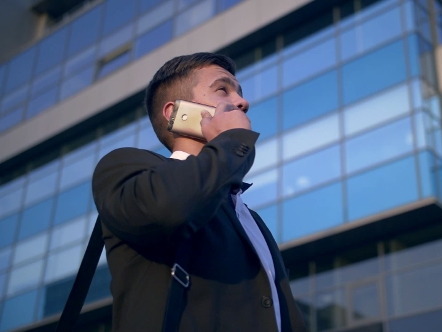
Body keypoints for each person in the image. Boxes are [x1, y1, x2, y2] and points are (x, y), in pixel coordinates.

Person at [92, 53, 307, 332]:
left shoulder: (248, 217)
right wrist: (233, 142)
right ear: (175, 112)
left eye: (239, 93)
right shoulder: (126, 167)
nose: (243, 102)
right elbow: (169, 209)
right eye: (222, 90)